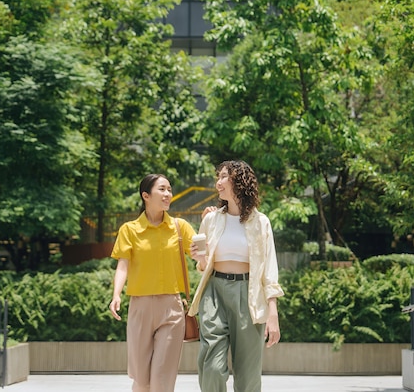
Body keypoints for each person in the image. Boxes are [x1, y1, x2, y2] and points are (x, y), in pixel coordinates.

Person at [188, 160, 285, 392]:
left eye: (223, 177)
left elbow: (270, 269)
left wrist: (273, 313)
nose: (218, 182)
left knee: (248, 375)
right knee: (212, 367)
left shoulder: (260, 222)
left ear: (238, 181)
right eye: (218, 177)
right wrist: (199, 258)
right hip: (214, 292)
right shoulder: (211, 219)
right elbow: (203, 265)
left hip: (248, 295)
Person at [109, 173, 196, 392]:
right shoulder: (129, 230)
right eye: (162, 189)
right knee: (141, 379)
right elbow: (123, 265)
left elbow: (200, 256)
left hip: (172, 309)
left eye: (169, 189)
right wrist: (116, 295)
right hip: (140, 307)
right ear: (145, 195)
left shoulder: (180, 227)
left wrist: (210, 224)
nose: (168, 194)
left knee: (162, 380)